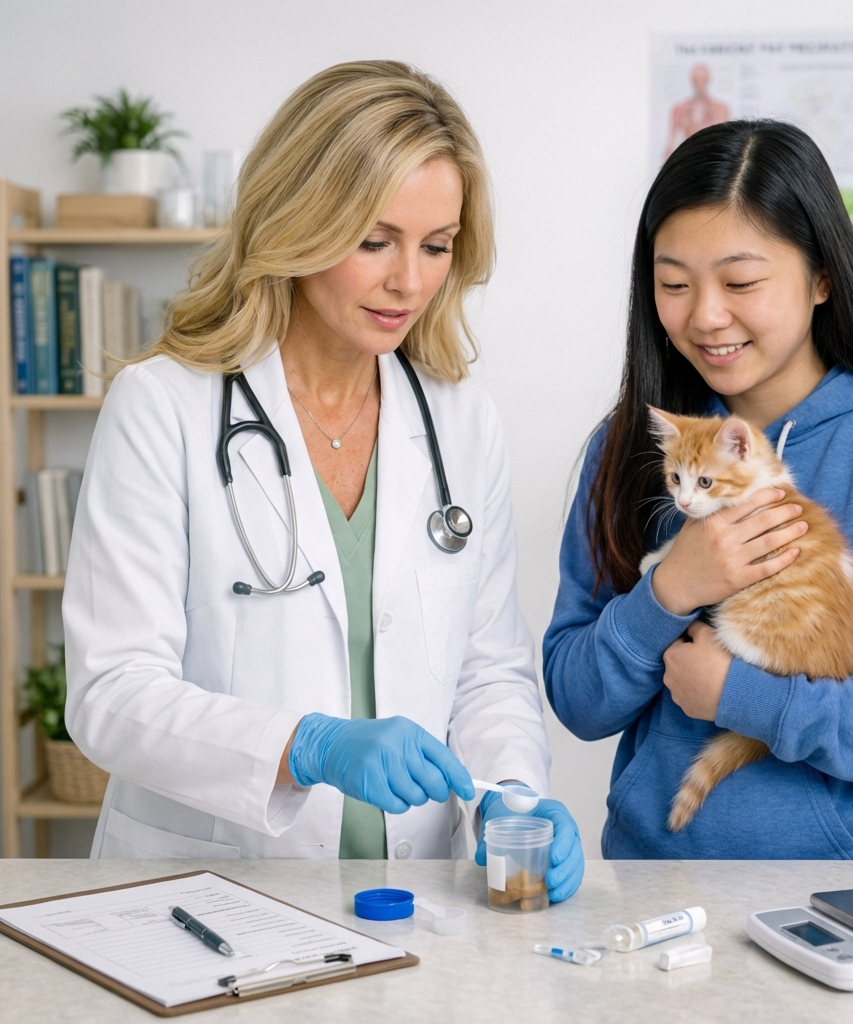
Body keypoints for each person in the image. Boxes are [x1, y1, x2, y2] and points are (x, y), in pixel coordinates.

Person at [63, 61, 583, 899]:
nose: (408, 281)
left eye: (437, 246)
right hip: (206, 892)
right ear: (298, 220)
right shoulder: (162, 406)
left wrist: (511, 796)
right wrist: (304, 746)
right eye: (374, 241)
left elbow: (488, 671)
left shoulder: (461, 422)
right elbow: (110, 693)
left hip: (414, 901)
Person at [544, 120, 853, 860]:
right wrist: (669, 592)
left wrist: (742, 698)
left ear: (822, 277)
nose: (705, 315)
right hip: (653, 878)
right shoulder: (631, 446)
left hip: (844, 896)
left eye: (741, 282)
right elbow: (577, 700)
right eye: (674, 284)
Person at [663, 64, 730, 161]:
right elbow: (670, 146)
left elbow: (727, 142)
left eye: (702, 79)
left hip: (712, 160)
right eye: (696, 79)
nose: (699, 83)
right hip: (688, 160)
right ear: (692, 80)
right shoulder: (679, 109)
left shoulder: (720, 109)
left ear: (708, 80)